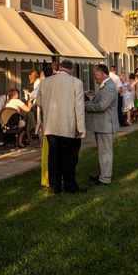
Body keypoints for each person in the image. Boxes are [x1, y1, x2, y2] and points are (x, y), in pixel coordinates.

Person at [37, 59, 85, 194]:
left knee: (53, 157)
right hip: (68, 125)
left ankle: (54, 187)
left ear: (60, 68)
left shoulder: (45, 82)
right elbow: (79, 107)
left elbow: (39, 102)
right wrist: (80, 128)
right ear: (72, 69)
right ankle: (70, 187)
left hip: (50, 126)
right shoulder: (76, 82)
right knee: (69, 158)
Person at [85, 64, 119, 185]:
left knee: (105, 152)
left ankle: (105, 178)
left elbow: (102, 106)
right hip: (102, 124)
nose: (94, 77)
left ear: (102, 73)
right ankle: (103, 175)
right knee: (103, 152)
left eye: (95, 74)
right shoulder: (105, 85)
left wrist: (87, 106)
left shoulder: (109, 86)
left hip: (105, 125)